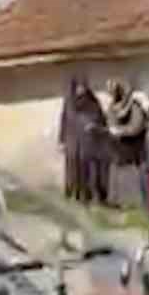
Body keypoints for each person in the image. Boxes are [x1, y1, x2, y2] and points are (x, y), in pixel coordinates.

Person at [58, 75, 108, 204]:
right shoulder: (69, 102)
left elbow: (101, 119)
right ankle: (71, 195)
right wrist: (61, 140)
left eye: (84, 86)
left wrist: (94, 126)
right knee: (72, 170)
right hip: (72, 141)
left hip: (88, 142)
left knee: (87, 170)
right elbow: (64, 121)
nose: (82, 89)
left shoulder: (93, 102)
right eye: (80, 86)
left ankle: (87, 196)